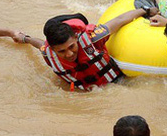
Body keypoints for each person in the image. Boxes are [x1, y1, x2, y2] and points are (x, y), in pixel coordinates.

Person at [17, 8, 157, 90]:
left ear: (76, 38)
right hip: (84, 92)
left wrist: (146, 10)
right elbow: (39, 44)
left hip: (118, 83)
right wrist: (25, 39)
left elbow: (120, 20)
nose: (69, 54)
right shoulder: (49, 54)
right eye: (62, 51)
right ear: (53, 50)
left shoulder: (93, 38)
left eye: (71, 46)